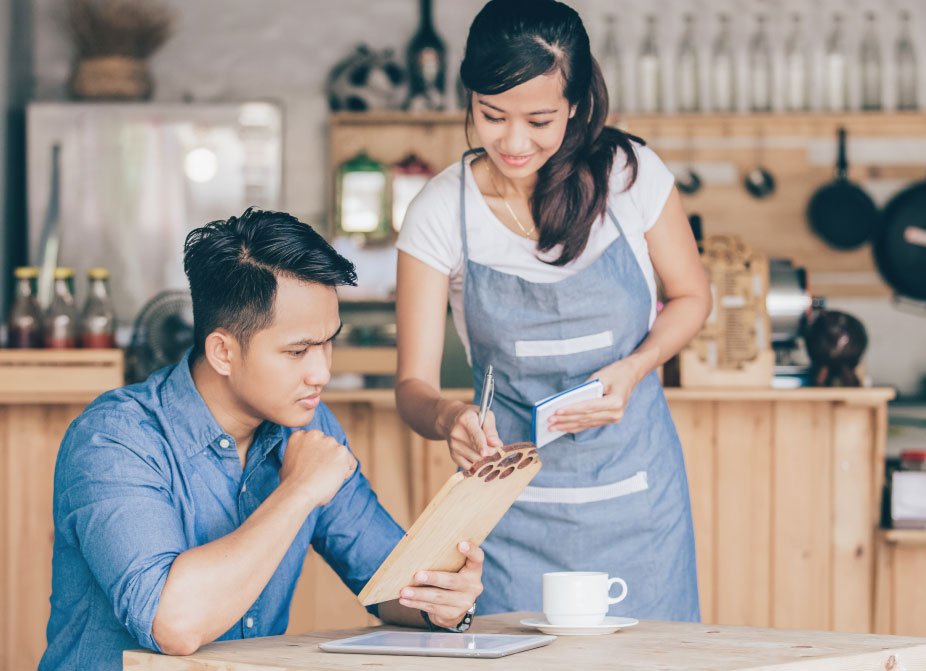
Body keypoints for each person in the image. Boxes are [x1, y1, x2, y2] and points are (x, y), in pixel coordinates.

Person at [39, 209, 483, 670]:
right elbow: (175, 623)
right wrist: (298, 492)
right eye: (297, 351)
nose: (323, 372)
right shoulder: (114, 440)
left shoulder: (309, 426)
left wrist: (443, 600)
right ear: (223, 352)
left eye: (328, 342)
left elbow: (391, 583)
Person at [395, 0, 710, 621]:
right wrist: (448, 416)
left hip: (638, 500)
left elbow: (692, 298)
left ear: (574, 105)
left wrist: (637, 366)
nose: (513, 141)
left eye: (539, 119)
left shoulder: (631, 176)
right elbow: (412, 387)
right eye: (492, 115)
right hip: (508, 512)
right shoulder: (440, 211)